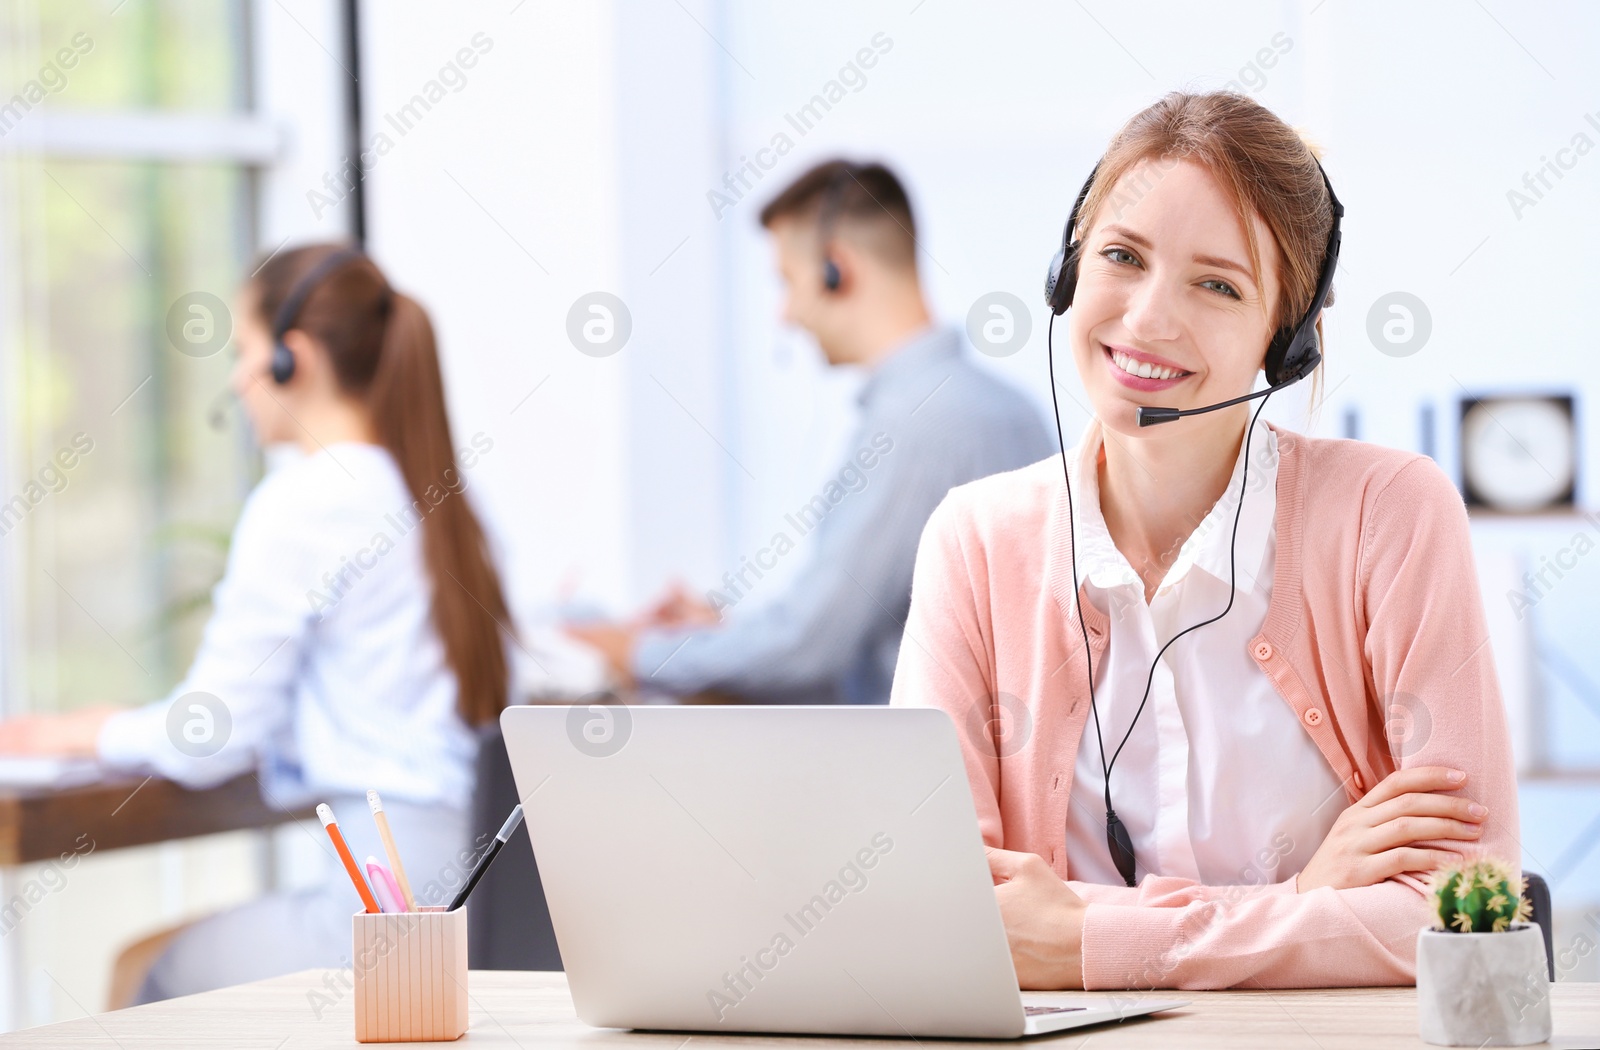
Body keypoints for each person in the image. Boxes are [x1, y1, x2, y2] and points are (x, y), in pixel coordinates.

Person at [890, 91, 1519, 990]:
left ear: (1286, 338)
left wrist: (1088, 939)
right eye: (1121, 257)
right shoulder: (977, 541)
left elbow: (1467, 910)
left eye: (1218, 284)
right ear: (1068, 274)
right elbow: (941, 908)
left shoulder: (1391, 515)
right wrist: (1305, 901)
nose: (1148, 318)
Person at [0, 244, 516, 1002]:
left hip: (386, 903)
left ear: (289, 360)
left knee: (144, 971)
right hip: (478, 891)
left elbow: (212, 736)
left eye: (243, 351)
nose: (237, 382)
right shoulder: (445, 501)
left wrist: (89, 730)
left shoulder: (307, 501)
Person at [570, 160, 1055, 705]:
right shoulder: (1013, 408)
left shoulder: (917, 423)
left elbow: (810, 645)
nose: (785, 315)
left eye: (787, 281)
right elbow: (855, 626)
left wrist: (633, 653)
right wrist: (725, 636)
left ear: (836, 270)